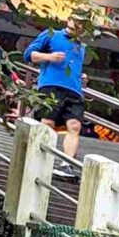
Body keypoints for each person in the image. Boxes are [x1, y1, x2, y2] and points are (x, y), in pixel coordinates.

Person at [27, 19, 87, 157]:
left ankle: (67, 163)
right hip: (51, 84)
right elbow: (29, 54)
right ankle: (39, 157)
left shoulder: (81, 46)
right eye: (75, 21)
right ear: (69, 21)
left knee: (75, 125)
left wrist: (81, 76)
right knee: (48, 122)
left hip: (74, 89)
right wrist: (49, 56)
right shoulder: (51, 34)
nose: (78, 25)